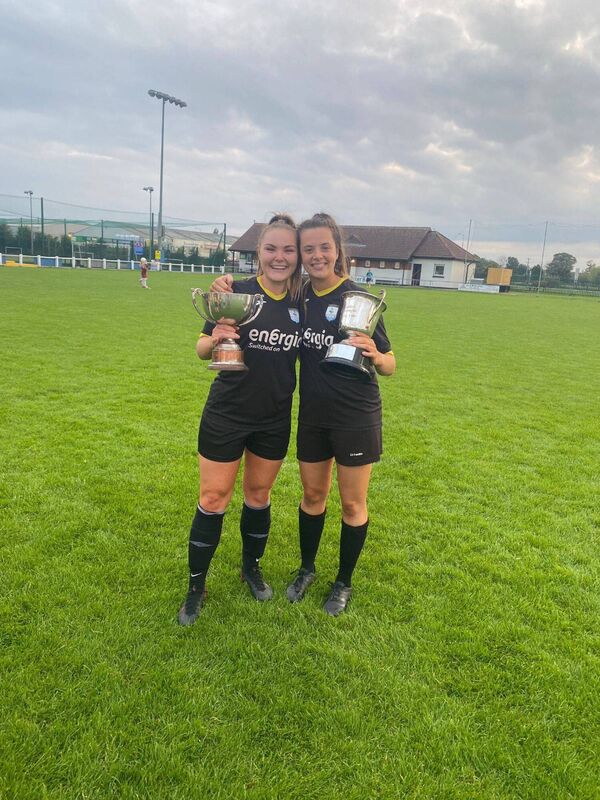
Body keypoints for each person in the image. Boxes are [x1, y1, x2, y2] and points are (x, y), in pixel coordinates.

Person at [177, 214, 303, 626]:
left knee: (258, 497)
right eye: (271, 249)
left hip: (274, 417)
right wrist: (213, 337)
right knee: (214, 498)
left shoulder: (304, 301)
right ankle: (196, 587)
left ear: (297, 256)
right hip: (227, 413)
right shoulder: (235, 293)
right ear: (259, 253)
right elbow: (200, 348)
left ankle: (251, 568)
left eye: (288, 250)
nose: (279, 257)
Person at [287, 213, 395, 616]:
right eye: (308, 249)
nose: (316, 256)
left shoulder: (359, 300)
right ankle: (307, 569)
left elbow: (390, 364)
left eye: (324, 248)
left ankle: (343, 582)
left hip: (355, 416)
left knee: (353, 505)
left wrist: (377, 354)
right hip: (313, 414)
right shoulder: (298, 298)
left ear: (337, 251)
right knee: (313, 496)